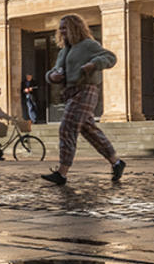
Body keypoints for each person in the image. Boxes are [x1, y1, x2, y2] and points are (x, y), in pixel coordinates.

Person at [39, 14, 126, 186]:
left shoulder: (88, 45)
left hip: (86, 90)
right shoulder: (64, 51)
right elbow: (54, 71)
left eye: (65, 27)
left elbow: (110, 57)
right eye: (60, 28)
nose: (61, 31)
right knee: (90, 131)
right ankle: (116, 162)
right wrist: (52, 76)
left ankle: (62, 173)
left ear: (74, 28)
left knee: (67, 128)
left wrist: (93, 64)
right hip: (71, 92)